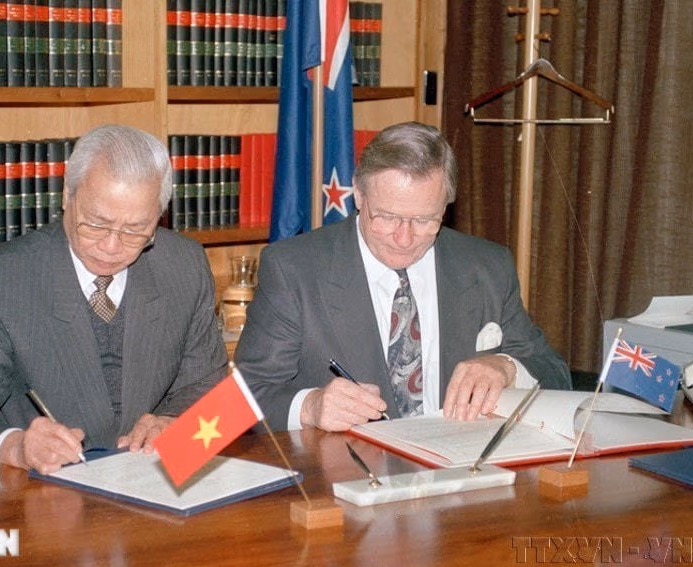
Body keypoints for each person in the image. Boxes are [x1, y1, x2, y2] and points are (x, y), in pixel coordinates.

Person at [0, 124, 228, 473]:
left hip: (151, 480)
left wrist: (175, 423)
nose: (112, 246)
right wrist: (17, 447)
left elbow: (212, 392)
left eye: (135, 230)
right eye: (96, 224)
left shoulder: (184, 266)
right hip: (40, 488)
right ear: (67, 196)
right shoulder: (0, 281)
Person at [234, 121, 571, 432]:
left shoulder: (486, 266)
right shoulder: (295, 269)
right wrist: (310, 406)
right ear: (358, 194)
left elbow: (555, 374)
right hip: (349, 469)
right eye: (387, 217)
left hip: (461, 466)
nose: (404, 238)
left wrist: (505, 367)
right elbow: (244, 398)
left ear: (446, 207)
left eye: (425, 220)